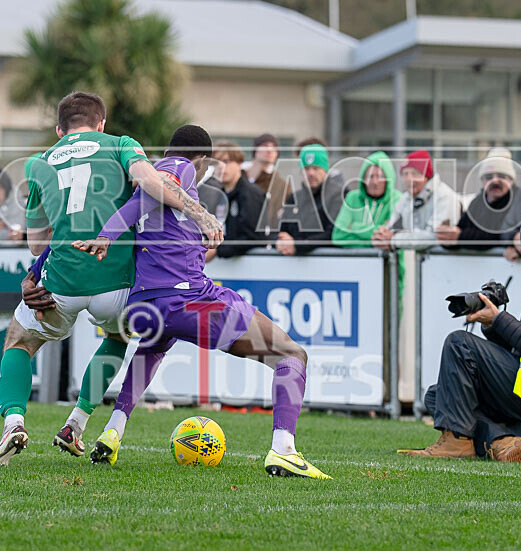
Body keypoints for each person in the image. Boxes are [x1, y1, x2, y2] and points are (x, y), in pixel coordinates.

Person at [74, 125, 331, 479]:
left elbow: (142, 206)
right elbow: (162, 186)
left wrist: (109, 235)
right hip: (190, 300)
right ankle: (284, 450)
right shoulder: (179, 165)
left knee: (154, 346)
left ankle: (113, 431)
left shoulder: (154, 177)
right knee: (291, 354)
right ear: (202, 159)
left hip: (147, 303)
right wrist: (199, 216)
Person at [0, 93, 223, 467]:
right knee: (117, 336)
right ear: (101, 124)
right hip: (117, 281)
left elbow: (35, 244)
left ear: (60, 130)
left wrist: (34, 274)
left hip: (61, 281)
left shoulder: (39, 162)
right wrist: (199, 212)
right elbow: (151, 182)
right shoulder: (122, 145)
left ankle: (13, 421)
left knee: (19, 342)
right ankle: (76, 423)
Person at [403, 215, 521, 462]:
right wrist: (491, 325)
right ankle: (502, 441)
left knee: (459, 342)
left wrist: (499, 319)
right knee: (438, 395)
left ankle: (458, 444)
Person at [436, 148, 521, 250]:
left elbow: (498, 235)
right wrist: (447, 237)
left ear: (511, 180)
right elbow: (460, 229)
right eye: (489, 177)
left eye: (501, 176)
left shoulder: (520, 201)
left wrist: (460, 237)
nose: (495, 181)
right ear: (482, 181)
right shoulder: (477, 202)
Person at [372, 150, 461, 252]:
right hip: (426, 263)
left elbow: (435, 235)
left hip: (451, 263)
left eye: (415, 174)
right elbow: (391, 226)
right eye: (405, 174)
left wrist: (394, 240)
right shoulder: (405, 199)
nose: (410, 179)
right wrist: (381, 236)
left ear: (426, 176)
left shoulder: (444, 196)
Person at [276, 143, 344, 255]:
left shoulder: (339, 196)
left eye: (316, 168)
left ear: (325, 170)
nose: (311, 173)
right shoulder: (294, 198)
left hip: (328, 265)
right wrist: (281, 242)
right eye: (306, 169)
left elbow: (333, 234)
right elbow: (280, 230)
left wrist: (297, 245)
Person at [203, 141, 266, 261]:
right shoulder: (217, 195)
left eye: (226, 161)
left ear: (239, 163)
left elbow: (254, 237)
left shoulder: (250, 194)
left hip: (251, 269)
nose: (221, 167)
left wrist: (218, 250)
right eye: (216, 163)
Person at [332, 152, 400, 247]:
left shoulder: (398, 200)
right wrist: (373, 241)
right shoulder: (352, 198)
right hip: (356, 261)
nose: (375, 182)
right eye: (370, 176)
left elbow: (392, 237)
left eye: (380, 177)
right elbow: (338, 236)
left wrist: (353, 226)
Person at [242, 133, 288, 232]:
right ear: (255, 150)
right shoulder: (239, 176)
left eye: (274, 148)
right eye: (265, 145)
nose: (270, 150)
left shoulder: (281, 185)